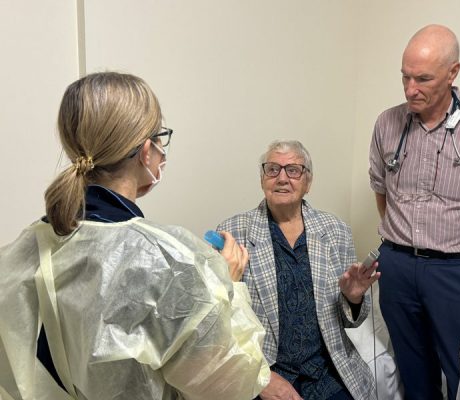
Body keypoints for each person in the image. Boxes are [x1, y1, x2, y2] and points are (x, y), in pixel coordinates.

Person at [0, 72, 270, 400]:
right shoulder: (167, 260)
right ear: (146, 151)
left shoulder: (19, 252)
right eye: (160, 137)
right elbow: (233, 386)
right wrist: (227, 287)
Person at [369, 25, 460, 399]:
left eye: (423, 79)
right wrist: (400, 243)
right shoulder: (388, 123)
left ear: (453, 73)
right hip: (398, 267)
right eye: (405, 77)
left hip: (458, 272)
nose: (410, 89)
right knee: (413, 372)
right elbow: (381, 190)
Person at [218, 140, 379, 400]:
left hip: (327, 370)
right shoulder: (234, 232)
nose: (282, 178)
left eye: (293, 170)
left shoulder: (335, 231)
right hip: (267, 369)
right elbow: (223, 321)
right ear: (262, 179)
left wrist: (354, 298)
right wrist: (261, 376)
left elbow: (354, 320)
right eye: (273, 169)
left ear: (308, 182)